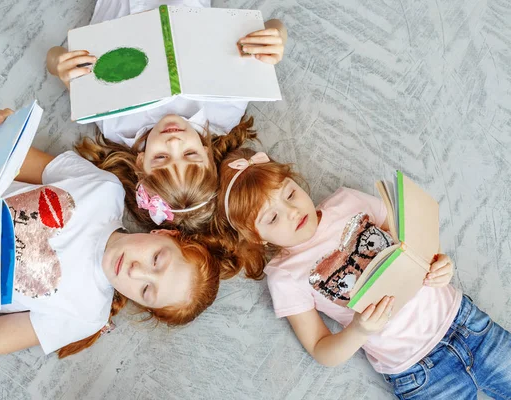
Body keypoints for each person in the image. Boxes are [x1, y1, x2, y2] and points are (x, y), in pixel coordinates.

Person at [0, 108, 220, 360]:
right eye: (156, 258)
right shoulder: (104, 189)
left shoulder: (86, 317)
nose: (136, 271)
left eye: (146, 291)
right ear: (164, 233)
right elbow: (14, 159)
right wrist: (0, 131)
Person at [215, 147, 511, 399]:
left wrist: (439, 263)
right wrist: (359, 331)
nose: (292, 211)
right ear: (257, 238)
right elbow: (321, 350)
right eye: (273, 217)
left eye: (290, 193)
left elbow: (411, 237)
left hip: (465, 322)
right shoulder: (284, 276)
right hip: (417, 369)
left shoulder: (347, 202)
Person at [45, 0, 287, 232]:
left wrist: (60, 64)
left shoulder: (116, 124)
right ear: (208, 154)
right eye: (190, 154)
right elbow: (273, 25)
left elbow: (55, 56)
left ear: (140, 162)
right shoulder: (225, 112)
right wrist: (274, 38)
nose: (174, 143)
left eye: (161, 157)